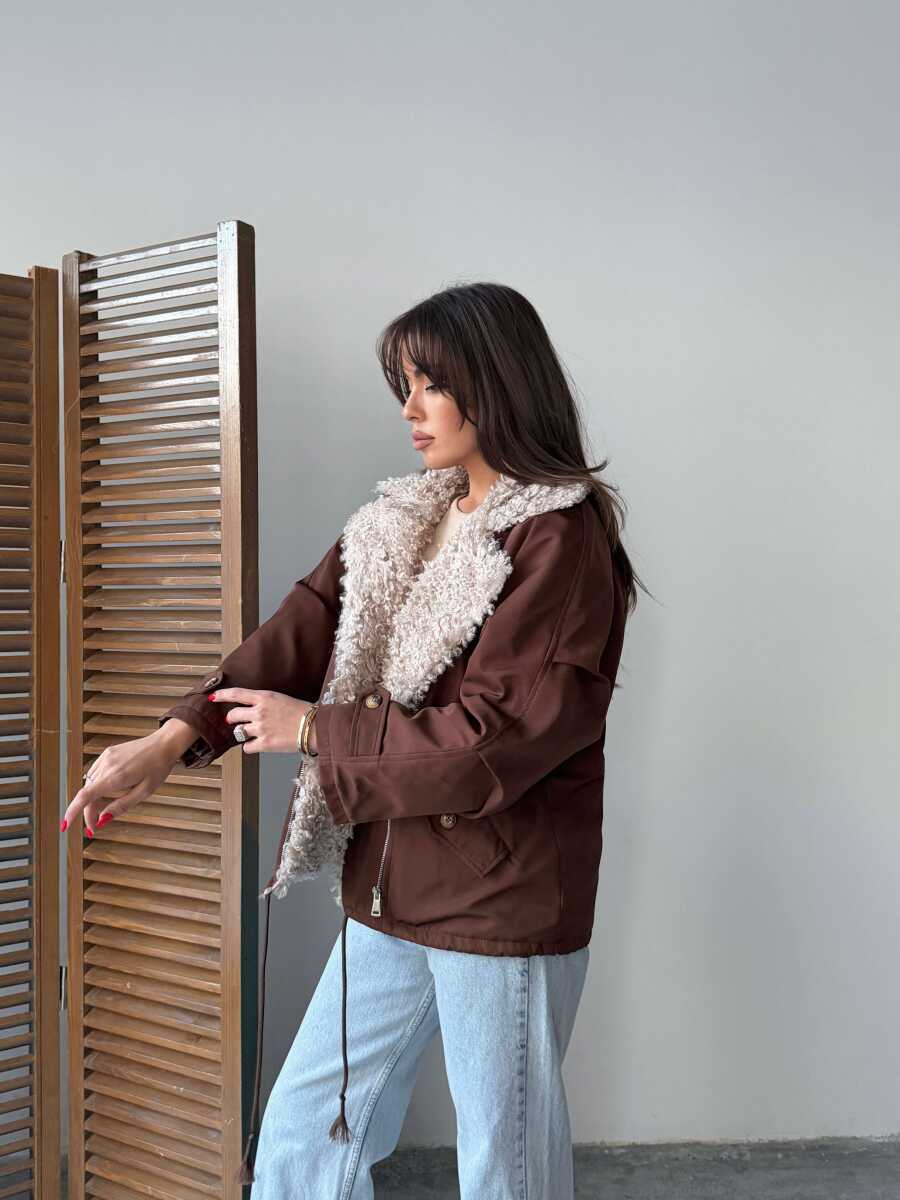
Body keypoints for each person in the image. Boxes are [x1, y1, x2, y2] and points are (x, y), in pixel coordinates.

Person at [61, 281, 645, 1199]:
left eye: (432, 384)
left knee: (508, 1169)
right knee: (302, 1141)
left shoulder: (559, 538)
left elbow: (493, 742)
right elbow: (299, 633)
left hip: (502, 900)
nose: (410, 409)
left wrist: (313, 730)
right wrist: (171, 739)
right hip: (390, 883)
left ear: (496, 383)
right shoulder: (397, 522)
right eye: (404, 385)